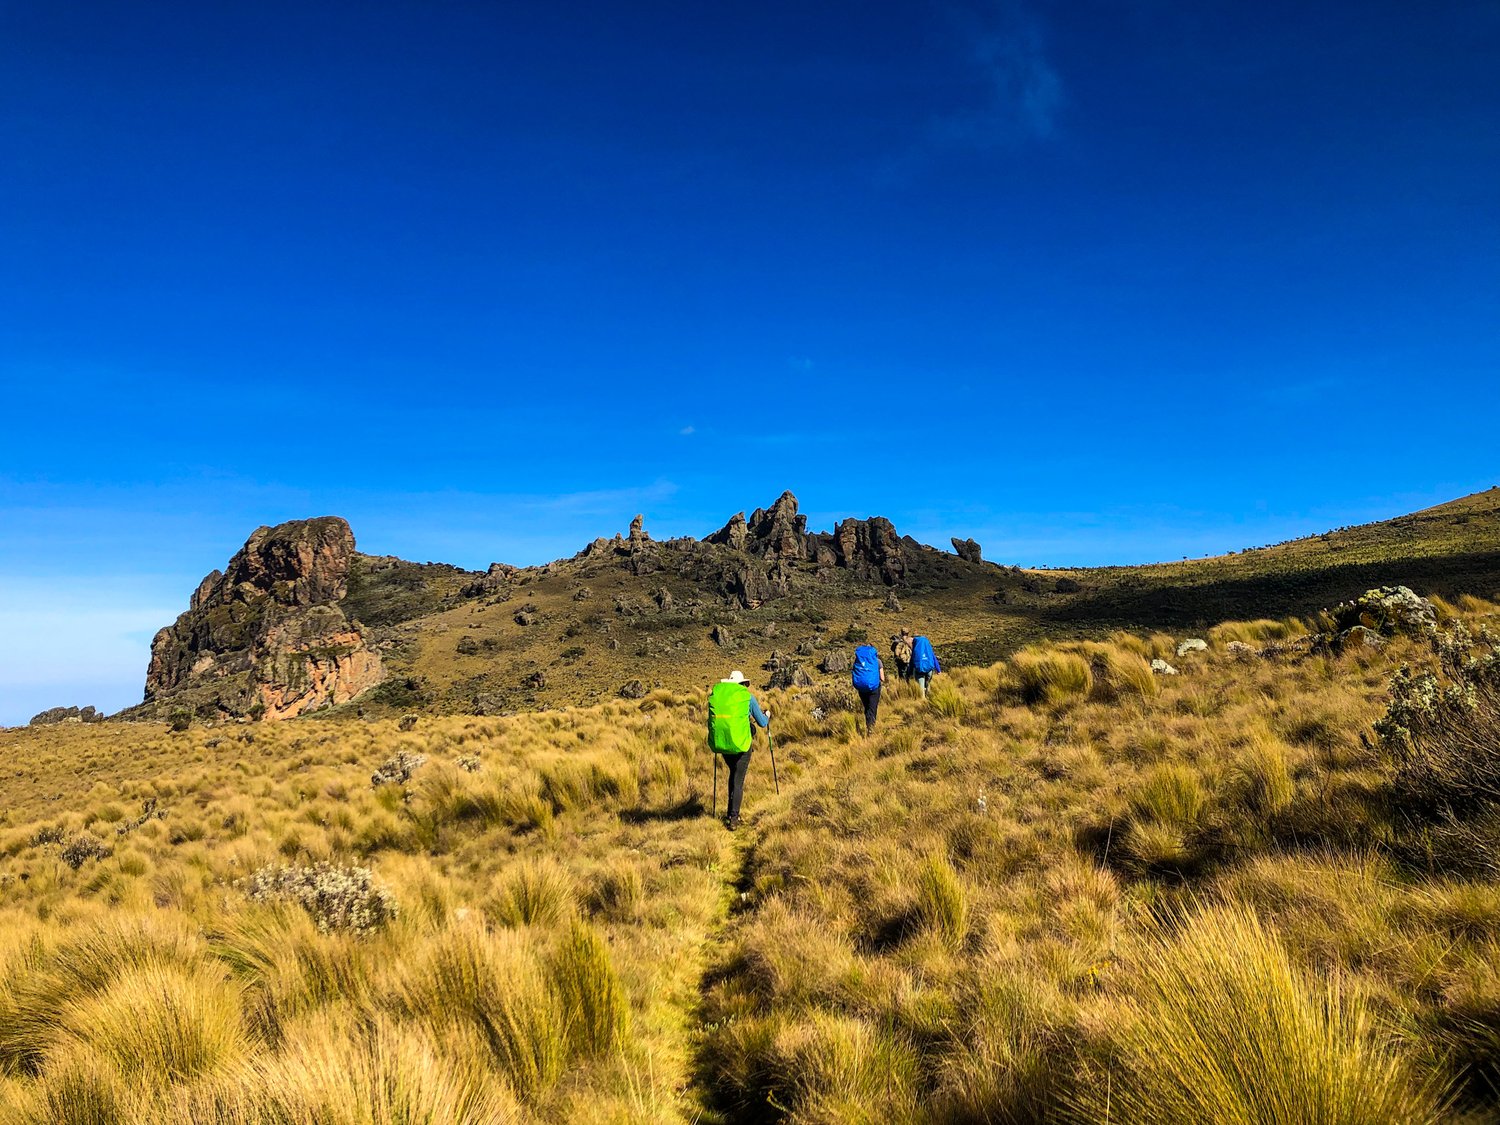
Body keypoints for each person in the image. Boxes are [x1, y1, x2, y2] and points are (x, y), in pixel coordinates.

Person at [707, 670, 770, 830]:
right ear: (742, 684)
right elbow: (762, 722)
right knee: (738, 780)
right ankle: (733, 818)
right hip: (742, 745)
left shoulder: (723, 699)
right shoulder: (748, 698)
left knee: (733, 775)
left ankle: (730, 813)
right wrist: (767, 715)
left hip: (724, 745)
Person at [851, 642, 886, 734]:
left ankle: (868, 725)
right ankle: (871, 729)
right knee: (872, 708)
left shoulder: (858, 661)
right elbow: (882, 678)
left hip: (861, 687)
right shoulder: (877, 661)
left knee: (867, 707)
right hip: (874, 688)